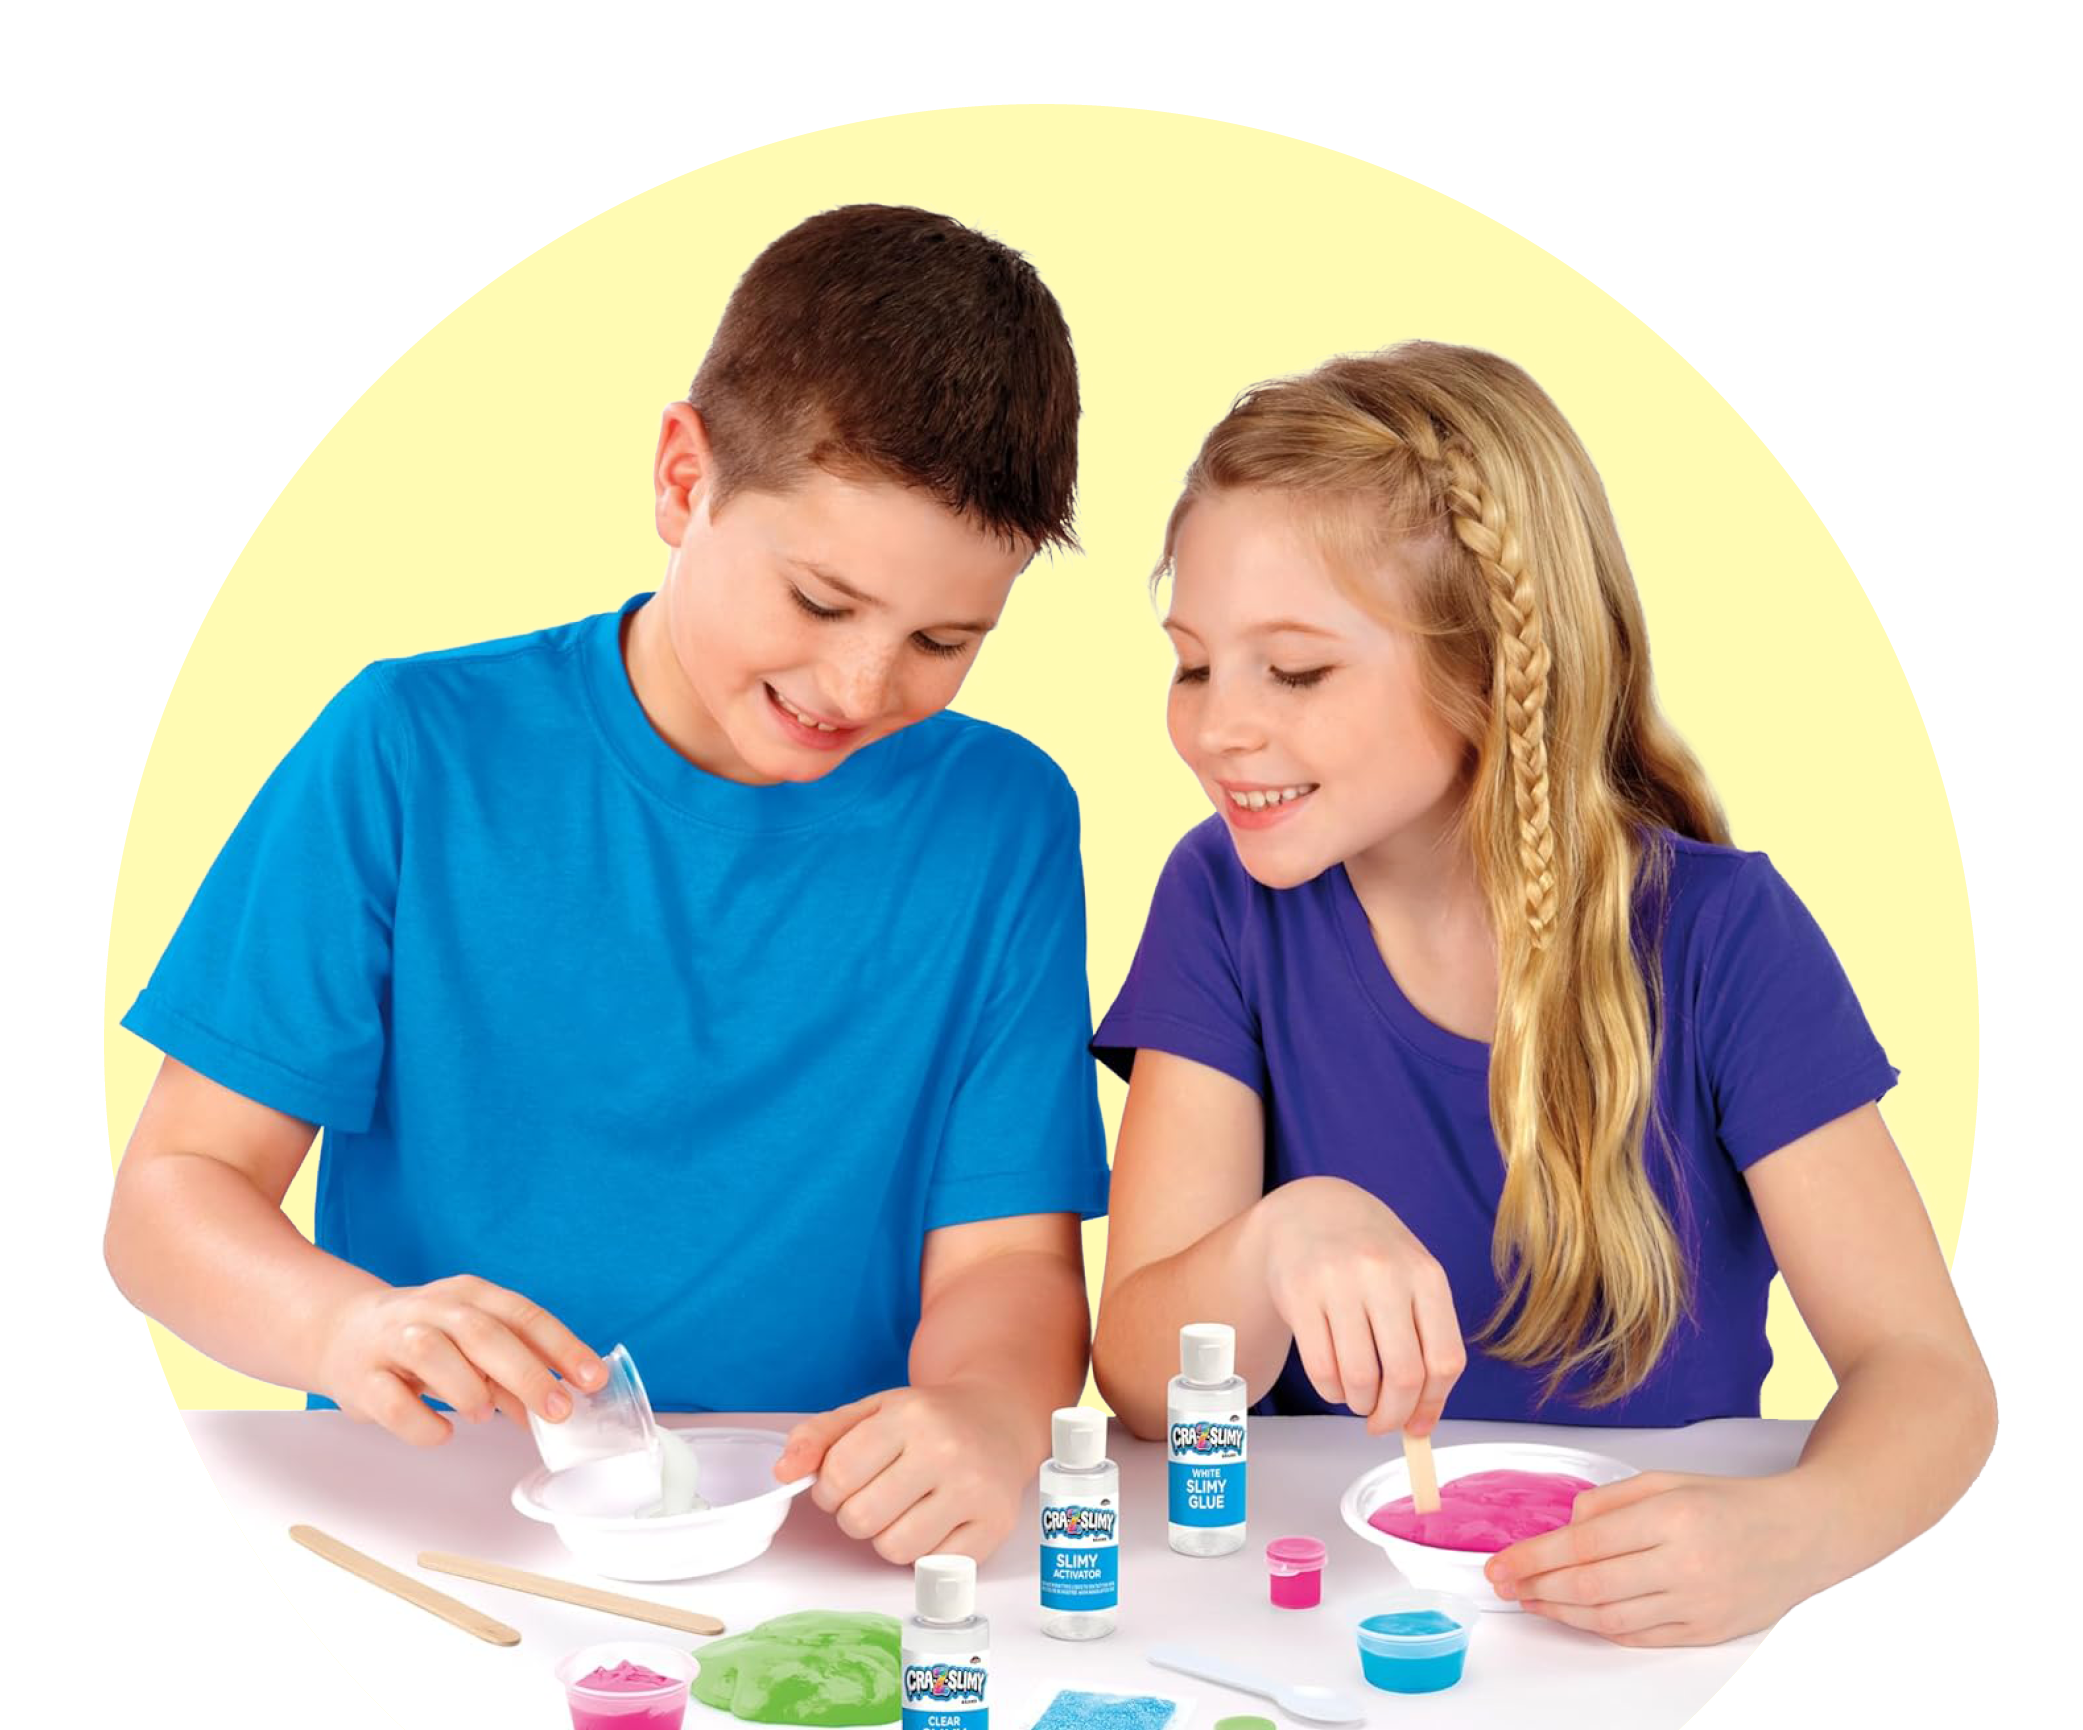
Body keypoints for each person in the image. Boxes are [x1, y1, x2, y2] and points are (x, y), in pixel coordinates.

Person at [105, 204, 1109, 1567]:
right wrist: (342, 1325)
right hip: (439, 1522)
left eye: (943, 640)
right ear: (684, 479)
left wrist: (988, 1414)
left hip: (819, 1534)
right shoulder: (411, 749)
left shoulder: (1001, 817)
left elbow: (1006, 1262)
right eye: (820, 602)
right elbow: (173, 1197)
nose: (862, 684)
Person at [1089, 342, 1994, 1644]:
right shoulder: (1221, 900)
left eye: (1293, 671)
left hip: (1637, 1640)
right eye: (1191, 663)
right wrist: (1275, 1241)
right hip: (1324, 1618)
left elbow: (1931, 1378)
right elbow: (1139, 1384)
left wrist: (1796, 1531)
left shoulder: (1723, 938)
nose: (1215, 725)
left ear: (1493, 672)